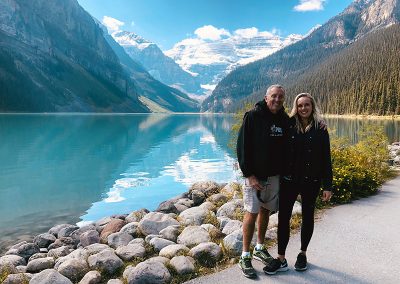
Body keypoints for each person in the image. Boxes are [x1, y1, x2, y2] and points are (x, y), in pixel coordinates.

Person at [263, 92, 333, 275]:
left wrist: (328, 185)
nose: (303, 108)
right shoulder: (288, 124)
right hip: (289, 180)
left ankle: (302, 254)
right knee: (283, 218)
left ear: (312, 106)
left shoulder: (321, 129)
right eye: (300, 105)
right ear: (296, 107)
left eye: (306, 105)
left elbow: (326, 158)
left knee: (308, 217)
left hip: (312, 181)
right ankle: (280, 258)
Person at [236, 84, 289, 278]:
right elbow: (242, 147)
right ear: (266, 97)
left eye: (280, 97)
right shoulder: (252, 116)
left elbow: (300, 129)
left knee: (265, 210)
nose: (277, 100)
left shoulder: (284, 119)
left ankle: (259, 247)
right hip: (255, 177)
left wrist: (319, 124)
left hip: (274, 176)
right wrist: (249, 175)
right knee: (251, 212)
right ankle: (244, 255)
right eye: (273, 96)